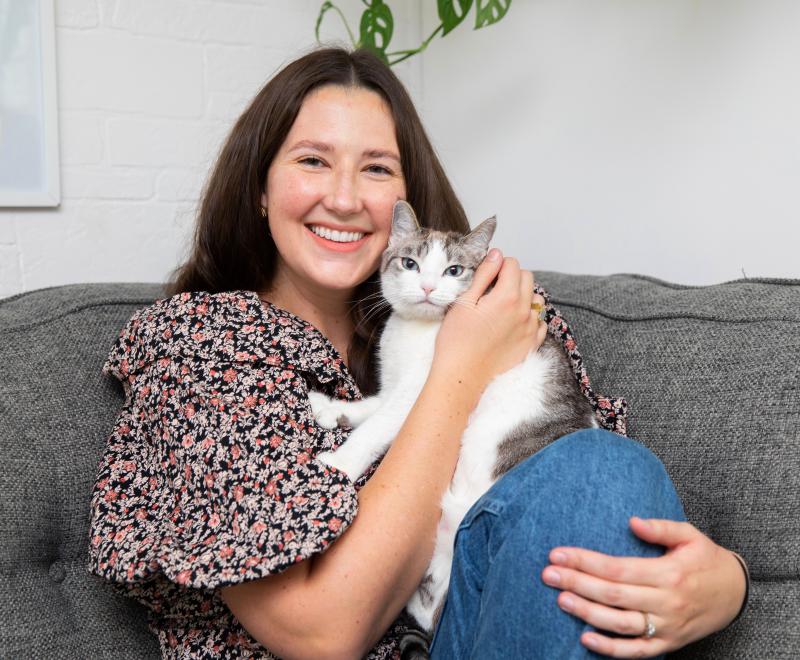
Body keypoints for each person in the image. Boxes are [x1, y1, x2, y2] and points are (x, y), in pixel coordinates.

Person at [88, 47, 748, 659]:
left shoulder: (487, 304)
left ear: (406, 199)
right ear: (259, 188)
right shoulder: (201, 344)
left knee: (606, 463)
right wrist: (458, 371)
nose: (344, 199)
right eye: (313, 160)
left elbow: (584, 499)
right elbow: (322, 634)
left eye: (376, 168)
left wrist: (726, 585)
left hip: (506, 611)